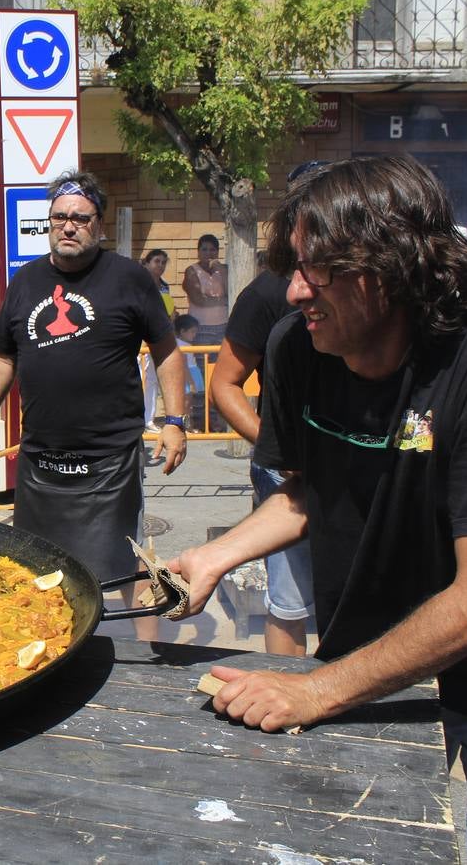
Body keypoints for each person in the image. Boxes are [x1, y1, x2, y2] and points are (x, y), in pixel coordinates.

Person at [167, 156, 467, 863]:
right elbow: (313, 490)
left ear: (395, 267)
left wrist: (316, 692)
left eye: (321, 270)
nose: (296, 290)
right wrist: (215, 557)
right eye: (295, 266)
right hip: (372, 665)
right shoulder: (298, 349)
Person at [0, 170, 188, 639]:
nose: (68, 226)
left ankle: (148, 661)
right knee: (37, 566)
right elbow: (3, 354)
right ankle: (46, 647)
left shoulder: (129, 278)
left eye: (80, 218)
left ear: (99, 226)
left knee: (126, 566)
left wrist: (175, 421)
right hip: (41, 457)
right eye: (59, 217)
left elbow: (167, 350)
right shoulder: (25, 282)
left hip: (110, 459)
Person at [208, 254, 312, 656]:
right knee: (289, 604)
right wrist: (275, 447)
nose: (302, 294)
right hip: (285, 476)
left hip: (352, 471)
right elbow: (225, 384)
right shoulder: (267, 294)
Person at [139, 248, 175, 432]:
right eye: (156, 261)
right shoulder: (138, 283)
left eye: (163, 262)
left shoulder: (164, 286)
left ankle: (148, 418)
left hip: (157, 338)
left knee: (152, 379)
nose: (160, 266)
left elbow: (167, 311)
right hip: (140, 339)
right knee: (139, 378)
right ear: (146, 263)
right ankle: (136, 417)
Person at [182, 234, 229, 348]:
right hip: (199, 327)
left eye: (212, 249)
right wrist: (223, 301)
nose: (208, 253)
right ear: (198, 252)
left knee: (221, 364)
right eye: (204, 249)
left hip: (224, 326)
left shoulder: (224, 269)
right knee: (201, 363)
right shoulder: (191, 271)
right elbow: (198, 300)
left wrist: (221, 271)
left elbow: (233, 292)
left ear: (217, 252)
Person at [173, 314, 205, 428]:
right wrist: (191, 382)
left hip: (191, 372)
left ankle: (187, 424)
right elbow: (184, 365)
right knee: (186, 402)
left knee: (188, 402)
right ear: (182, 331)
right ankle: (184, 424)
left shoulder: (186, 344)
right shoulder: (181, 345)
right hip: (187, 375)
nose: (194, 335)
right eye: (192, 332)